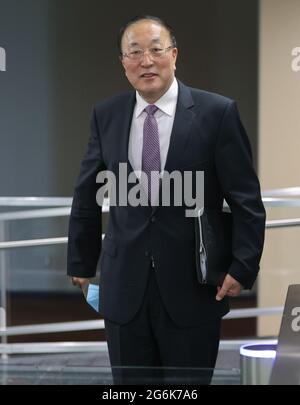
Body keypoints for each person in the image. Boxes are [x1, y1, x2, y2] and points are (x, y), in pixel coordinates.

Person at [67, 15, 266, 385]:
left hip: (194, 287)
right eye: (135, 52)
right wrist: (80, 262)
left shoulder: (216, 113)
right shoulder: (106, 114)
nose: (146, 61)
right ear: (123, 63)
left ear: (174, 55)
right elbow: (87, 193)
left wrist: (242, 267)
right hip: (124, 285)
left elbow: (246, 200)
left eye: (156, 50)